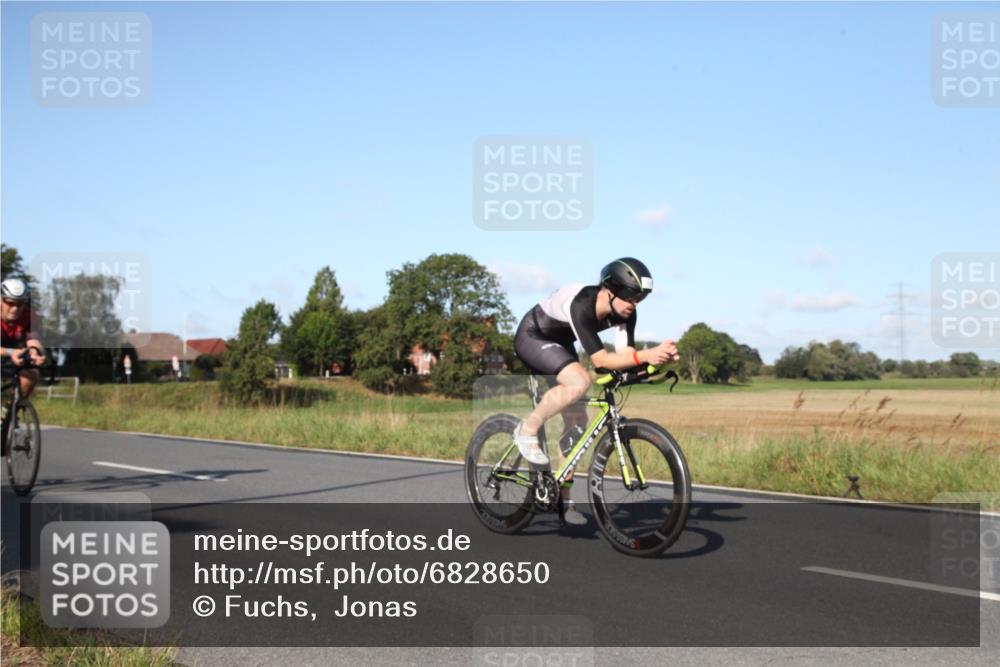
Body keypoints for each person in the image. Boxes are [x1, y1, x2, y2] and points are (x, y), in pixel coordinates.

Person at [511, 258, 679, 523]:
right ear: (609, 290)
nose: (634, 304)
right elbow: (600, 361)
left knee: (577, 424)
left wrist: (651, 363)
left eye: (639, 299)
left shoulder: (626, 313)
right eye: (630, 297)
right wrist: (647, 354)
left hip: (561, 343)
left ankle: (563, 501)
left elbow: (625, 355)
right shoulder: (581, 303)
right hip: (534, 336)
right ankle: (527, 429)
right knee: (579, 382)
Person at [1, 278, 47, 401]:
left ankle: (10, 410)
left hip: (9, 353)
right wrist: (11, 352)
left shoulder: (30, 317)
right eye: (10, 303)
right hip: (7, 352)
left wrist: (36, 353)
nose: (15, 308)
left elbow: (33, 341)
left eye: (20, 303)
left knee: (32, 374)